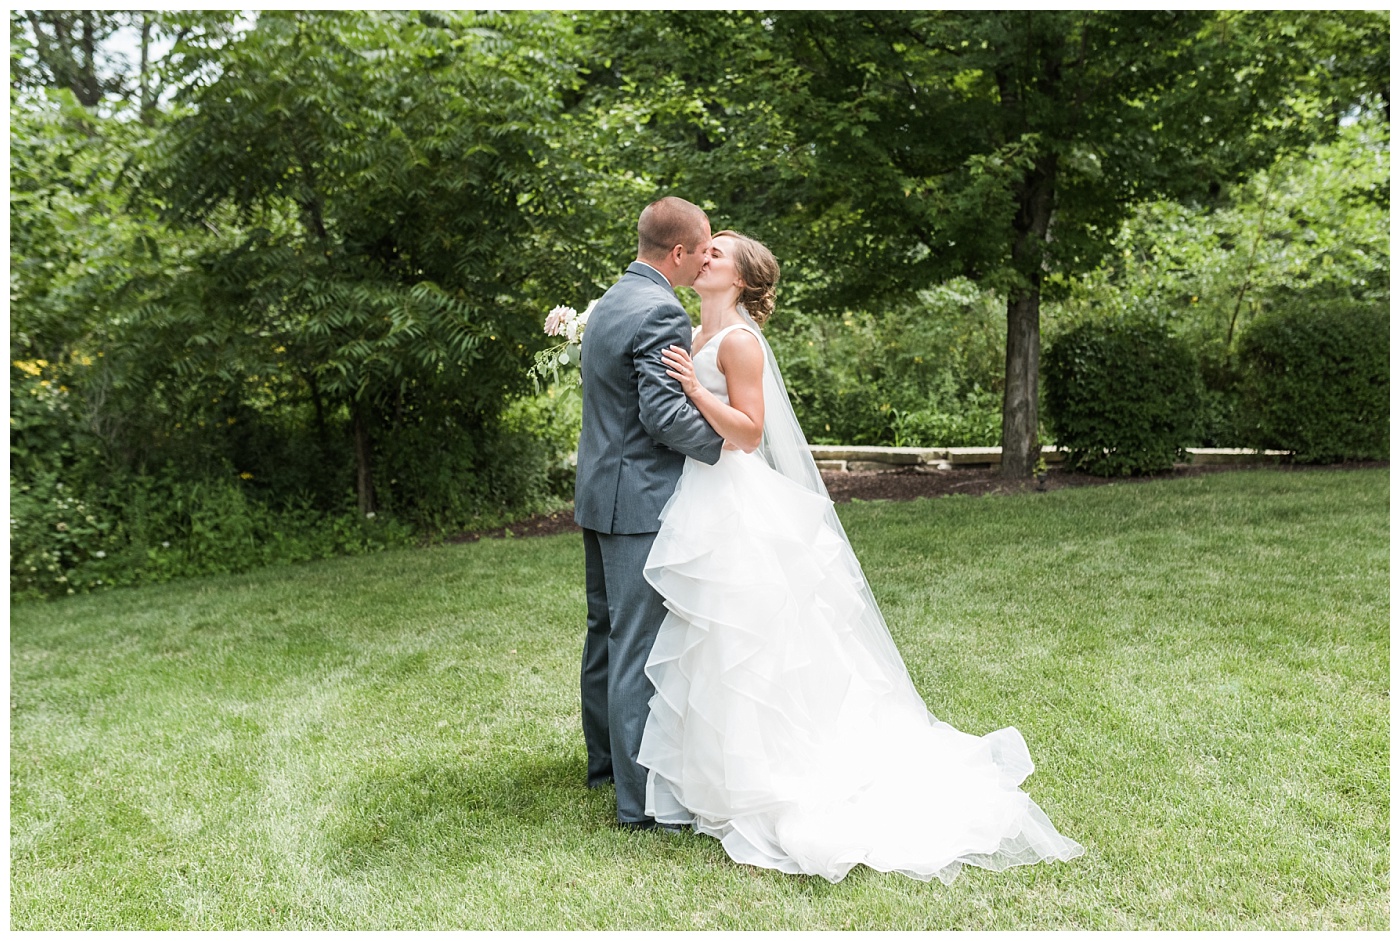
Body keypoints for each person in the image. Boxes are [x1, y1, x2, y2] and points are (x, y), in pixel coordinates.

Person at [636, 230, 1086, 882]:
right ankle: (720, 780)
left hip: (735, 500)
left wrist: (698, 393)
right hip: (702, 496)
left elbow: (749, 431)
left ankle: (773, 779)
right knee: (714, 637)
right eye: (704, 250)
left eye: (717, 253)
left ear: (738, 279)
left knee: (752, 641)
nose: (703, 255)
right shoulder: (699, 334)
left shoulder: (736, 340)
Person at [574, 196, 726, 830]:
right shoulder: (662, 308)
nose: (704, 262)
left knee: (606, 634)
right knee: (637, 644)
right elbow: (662, 416)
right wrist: (726, 445)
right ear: (678, 253)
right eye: (702, 250)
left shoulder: (612, 300)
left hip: (599, 492)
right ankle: (637, 804)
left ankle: (605, 764)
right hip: (637, 498)